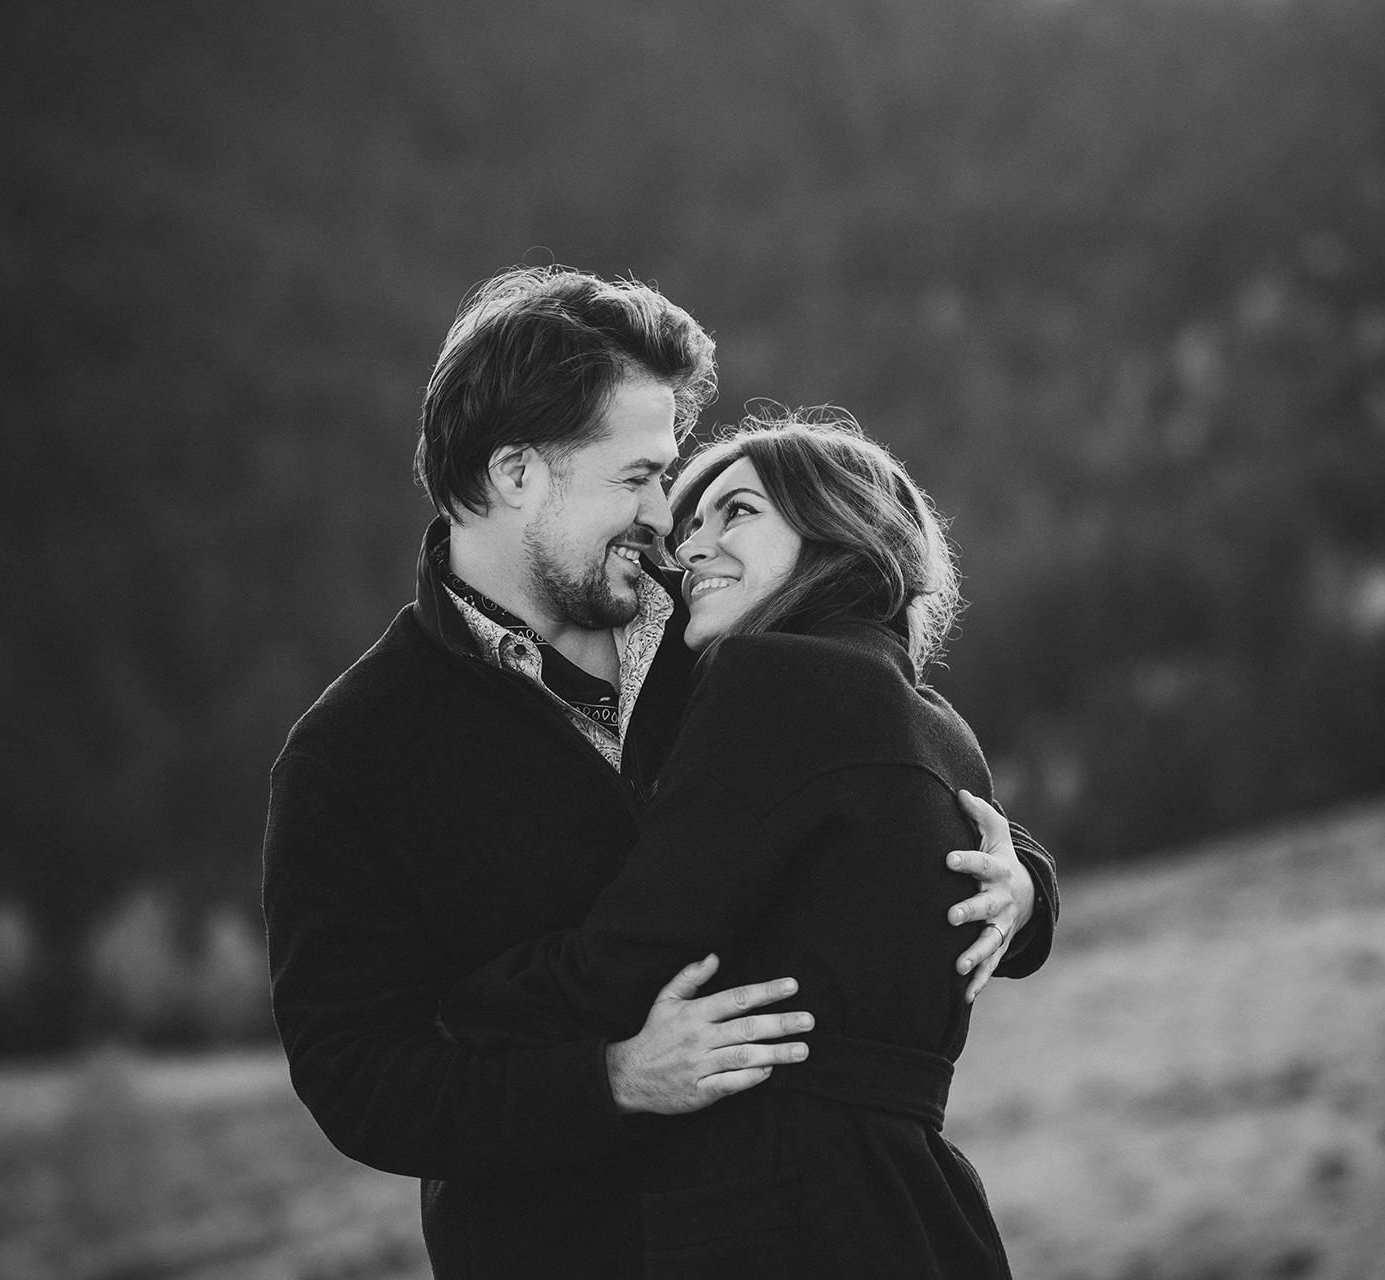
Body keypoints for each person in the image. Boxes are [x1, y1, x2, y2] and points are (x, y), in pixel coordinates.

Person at [261, 266, 1059, 1278]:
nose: (665, 515)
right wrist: (609, 1083)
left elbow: (891, 750)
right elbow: (359, 1078)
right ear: (516, 473)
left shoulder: (727, 623)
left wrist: (1025, 887)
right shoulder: (350, 756)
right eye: (636, 476)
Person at [443, 411, 1027, 1277]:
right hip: (923, 1205)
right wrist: (1034, 893)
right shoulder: (939, 726)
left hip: (783, 1214)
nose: (691, 549)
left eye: (738, 512)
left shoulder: (773, 681)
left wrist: (459, 1007)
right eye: (690, 525)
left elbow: (636, 951)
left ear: (837, 530)